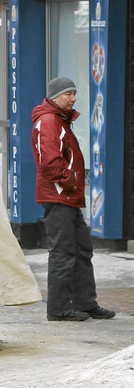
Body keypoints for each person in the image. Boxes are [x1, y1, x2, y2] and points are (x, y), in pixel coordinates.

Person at [31, 77, 115, 322]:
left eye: (74, 93)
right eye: (68, 93)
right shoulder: (49, 121)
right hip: (59, 196)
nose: (73, 98)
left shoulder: (59, 120)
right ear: (55, 96)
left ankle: (86, 303)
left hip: (67, 196)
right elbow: (49, 163)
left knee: (81, 250)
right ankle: (59, 309)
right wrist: (72, 181)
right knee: (63, 253)